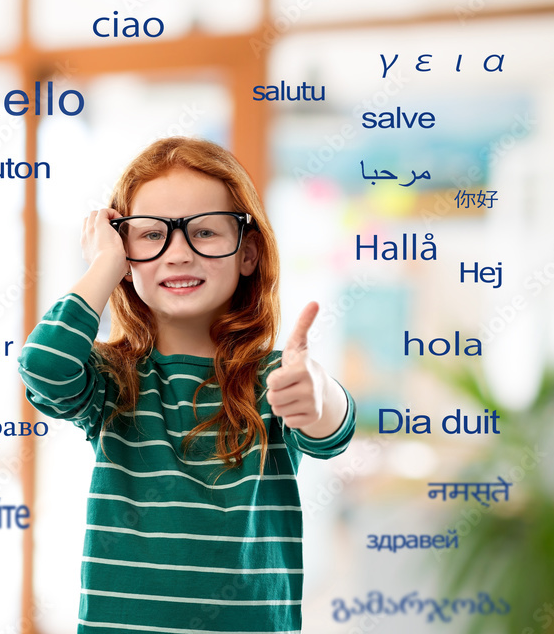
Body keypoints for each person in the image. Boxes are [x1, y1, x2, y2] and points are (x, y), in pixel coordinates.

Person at [18, 137, 355, 633]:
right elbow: (43, 365)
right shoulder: (114, 379)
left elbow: (332, 429)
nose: (177, 254)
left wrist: (318, 391)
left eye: (204, 232)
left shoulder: (275, 378)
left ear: (248, 252)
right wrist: (104, 268)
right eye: (151, 235)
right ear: (124, 252)